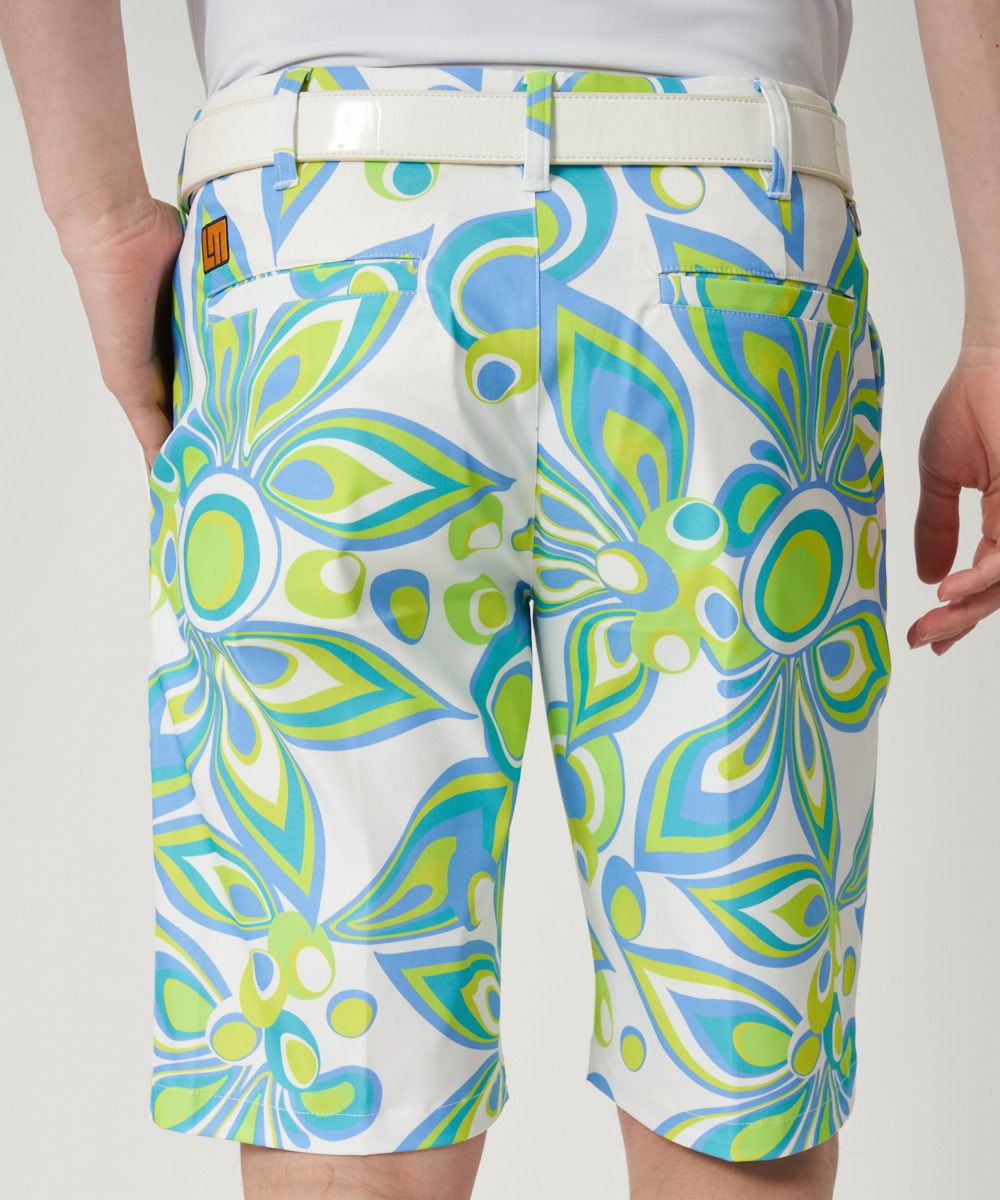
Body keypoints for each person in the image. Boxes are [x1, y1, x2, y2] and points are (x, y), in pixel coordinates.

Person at [1, 3, 997, 1199]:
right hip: (725, 237)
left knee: (342, 1083)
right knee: (733, 1077)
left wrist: (105, 222)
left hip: (314, 243)